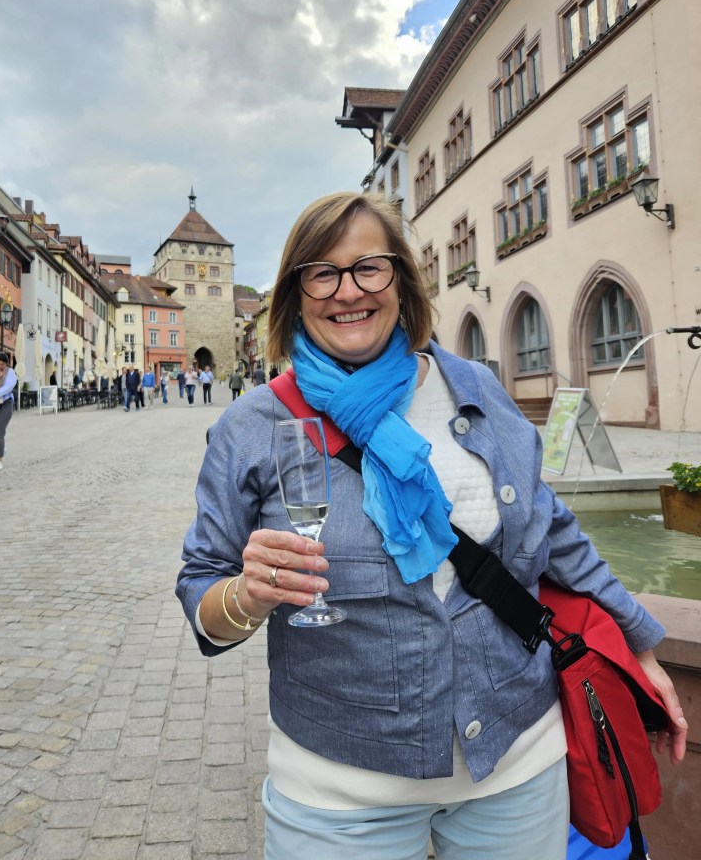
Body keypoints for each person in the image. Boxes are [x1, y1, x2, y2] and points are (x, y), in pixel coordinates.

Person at [176, 192, 687, 860]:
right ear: (296, 293)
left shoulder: (473, 384)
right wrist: (247, 594)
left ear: (401, 280)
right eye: (321, 273)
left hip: (515, 766)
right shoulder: (252, 428)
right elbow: (201, 591)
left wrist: (640, 643)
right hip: (338, 793)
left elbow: (553, 532)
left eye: (369, 268)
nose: (347, 291)